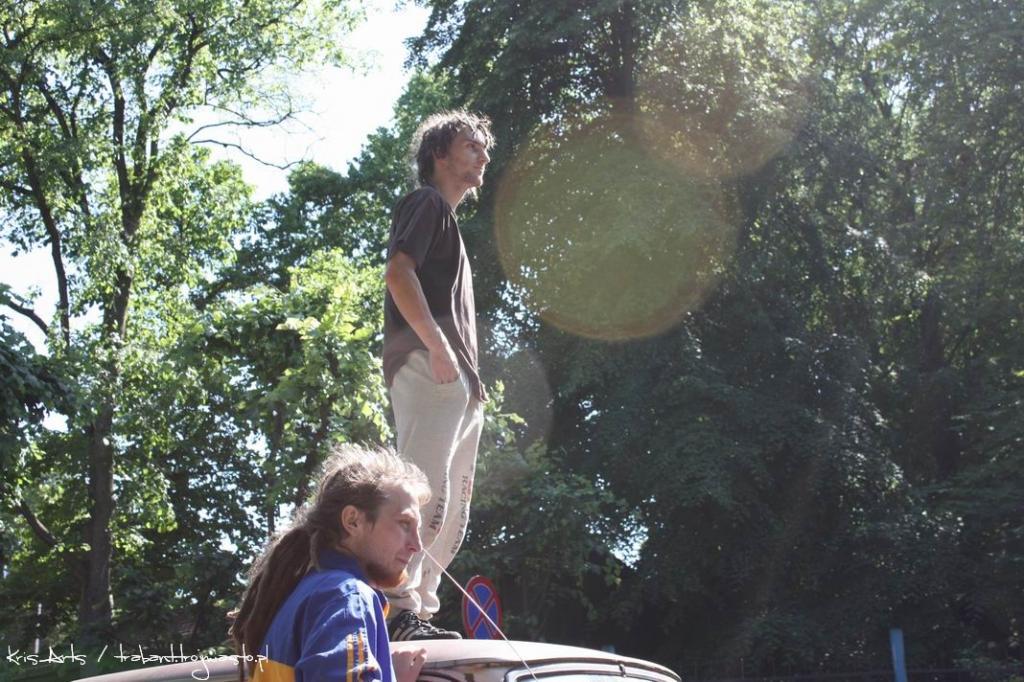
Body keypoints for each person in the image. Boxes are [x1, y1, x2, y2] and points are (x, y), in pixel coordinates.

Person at [382, 110, 495, 640]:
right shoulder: (425, 203)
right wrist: (438, 346)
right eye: (472, 145)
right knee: (420, 494)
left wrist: (470, 383)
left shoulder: (449, 225)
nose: (483, 156)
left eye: (484, 148)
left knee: (452, 508)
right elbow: (398, 273)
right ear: (439, 155)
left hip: (458, 383)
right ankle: (396, 607)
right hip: (432, 368)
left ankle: (419, 614)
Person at [229, 445, 431, 682]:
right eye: (404, 524)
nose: (417, 545)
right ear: (353, 521)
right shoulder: (346, 598)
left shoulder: (301, 596)